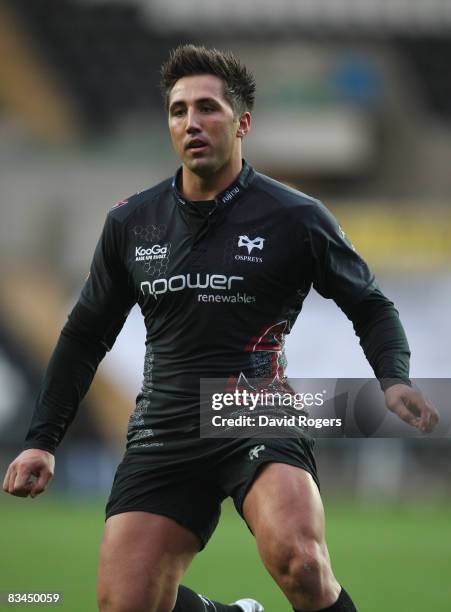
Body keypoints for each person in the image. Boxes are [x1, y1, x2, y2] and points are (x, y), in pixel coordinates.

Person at [3, 45, 439, 612]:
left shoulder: (296, 216)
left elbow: (372, 305)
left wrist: (393, 377)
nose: (191, 122)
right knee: (125, 604)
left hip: (253, 407)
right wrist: (42, 440)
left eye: (208, 107)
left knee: (301, 562)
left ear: (242, 122)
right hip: (165, 419)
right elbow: (85, 335)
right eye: (178, 110)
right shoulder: (131, 222)